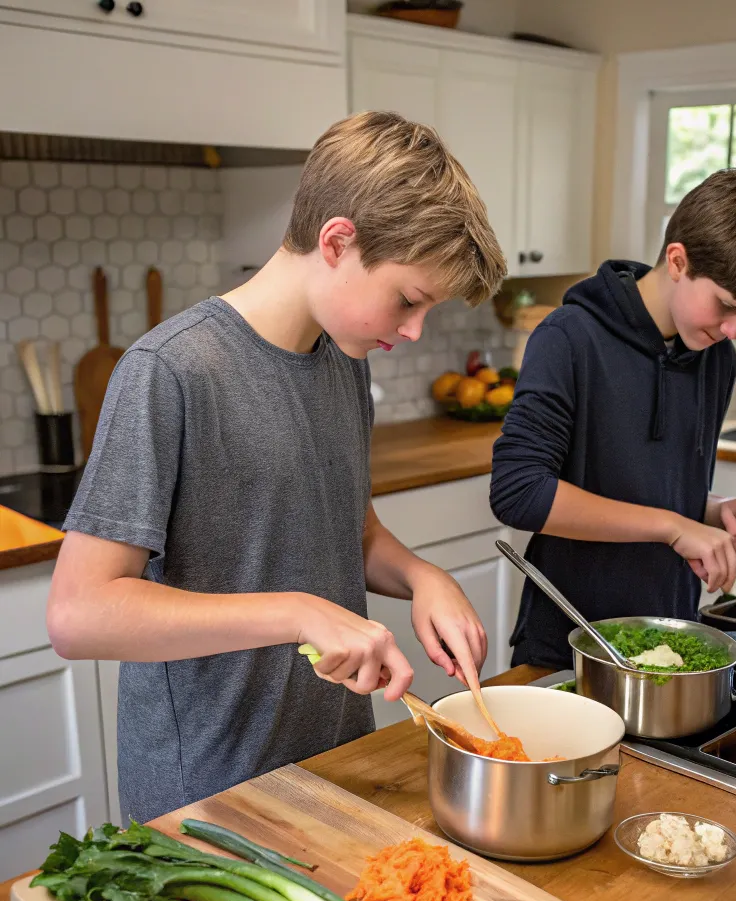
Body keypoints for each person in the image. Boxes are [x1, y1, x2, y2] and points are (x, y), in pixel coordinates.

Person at [46, 111, 508, 821]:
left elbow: (345, 529)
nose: (413, 330)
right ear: (337, 241)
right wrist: (298, 612)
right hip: (207, 793)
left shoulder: (342, 361)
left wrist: (422, 577)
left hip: (334, 760)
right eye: (409, 300)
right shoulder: (170, 371)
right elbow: (79, 615)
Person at [490, 168, 736, 669]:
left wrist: (712, 509)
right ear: (678, 261)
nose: (735, 331)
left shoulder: (714, 355)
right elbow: (519, 492)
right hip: (568, 643)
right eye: (727, 306)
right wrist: (673, 526)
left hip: (672, 641)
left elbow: (644, 485)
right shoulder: (568, 338)